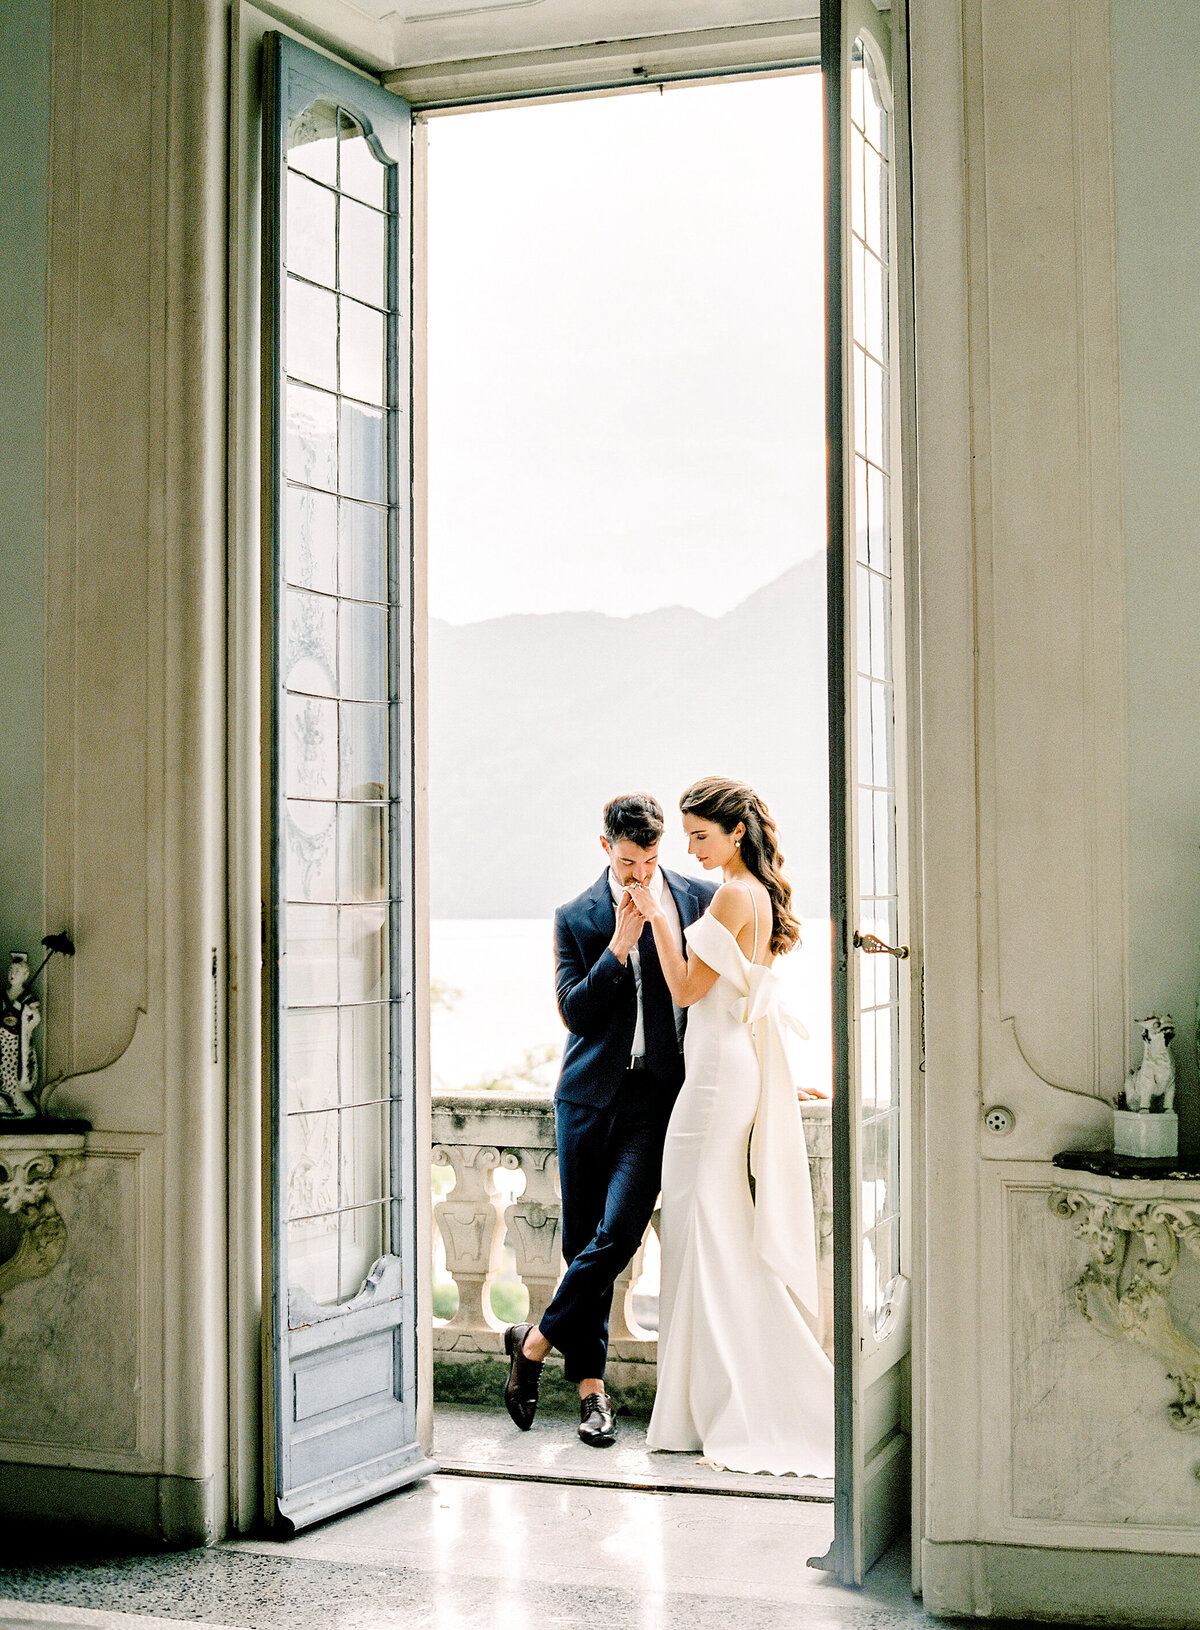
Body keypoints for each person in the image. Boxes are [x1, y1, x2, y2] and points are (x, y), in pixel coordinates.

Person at [631, 776, 834, 1477]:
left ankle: (719, 1402)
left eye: (700, 836)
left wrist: (657, 918)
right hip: (732, 1065)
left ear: (736, 832)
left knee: (699, 1221)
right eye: (687, 836)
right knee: (714, 1225)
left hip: (716, 1076)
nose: (690, 848)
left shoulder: (731, 894)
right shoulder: (763, 895)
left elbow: (689, 989)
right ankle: (712, 1398)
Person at [502, 793, 716, 1446]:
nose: (640, 875)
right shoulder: (577, 916)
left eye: (650, 860)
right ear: (605, 850)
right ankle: (593, 1397)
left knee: (619, 1235)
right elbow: (577, 1013)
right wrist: (619, 945)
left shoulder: (697, 898)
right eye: (628, 862)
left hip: (655, 1104)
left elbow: (718, 992)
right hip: (588, 1101)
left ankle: (532, 1345)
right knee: (580, 1247)